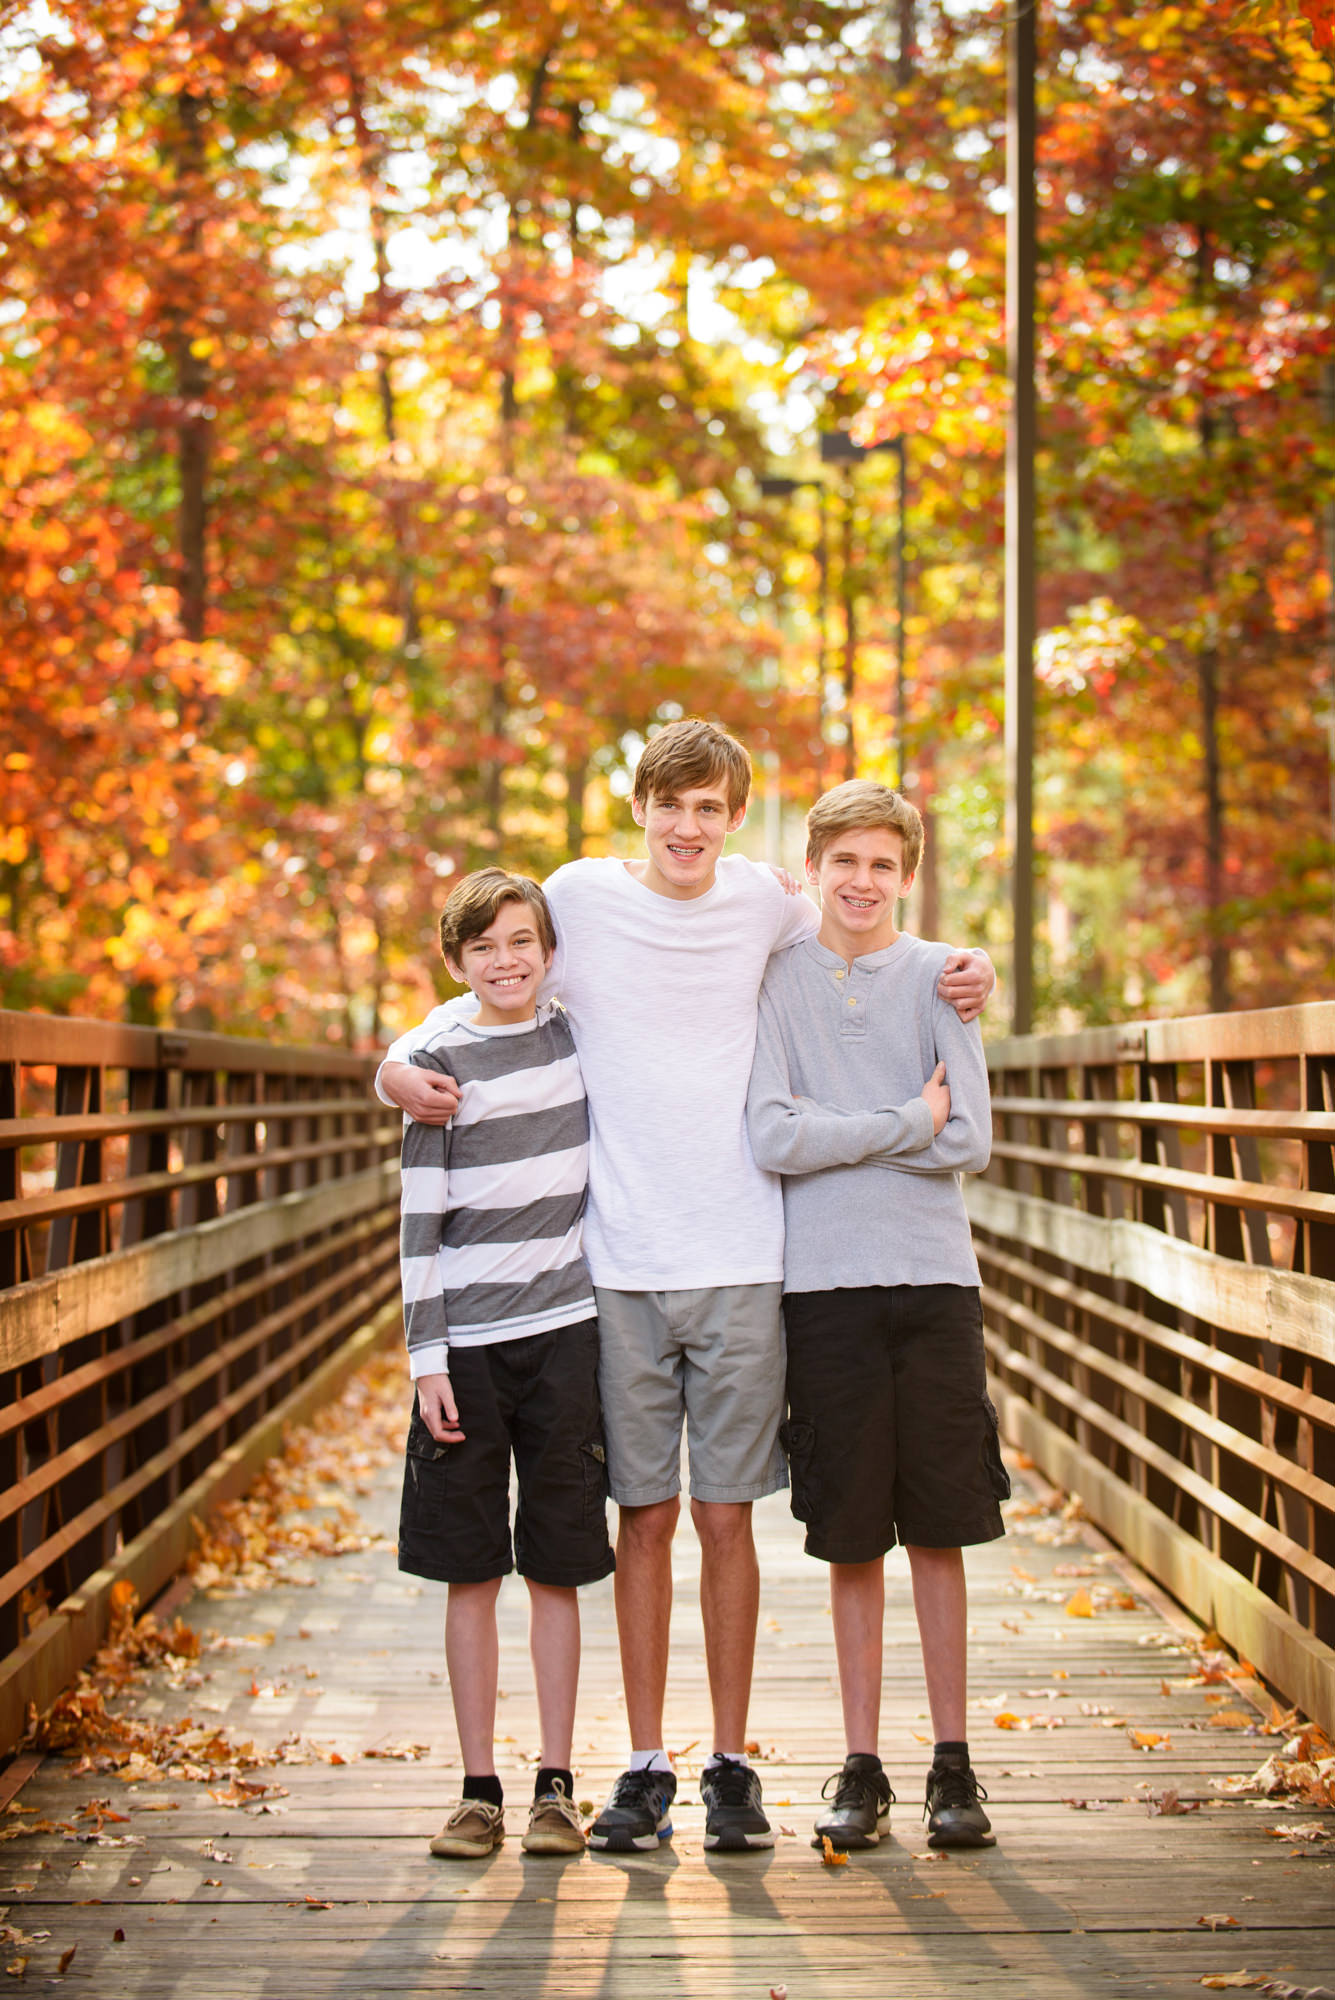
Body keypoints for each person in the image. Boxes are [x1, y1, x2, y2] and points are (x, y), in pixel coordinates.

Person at [379, 719, 994, 1856]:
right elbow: (492, 981)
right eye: (672, 803)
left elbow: (872, 920)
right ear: (641, 806)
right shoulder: (578, 895)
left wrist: (974, 966)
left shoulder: (769, 898)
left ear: (736, 819)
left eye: (711, 807)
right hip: (614, 1266)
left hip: (746, 1256)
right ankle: (646, 1763)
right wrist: (393, 1059)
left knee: (727, 1517)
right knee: (644, 1517)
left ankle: (731, 1761)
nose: (688, 826)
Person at [746, 778, 1009, 1855]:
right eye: (843, 862)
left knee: (940, 1527)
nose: (862, 882)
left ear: (909, 875)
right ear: (810, 868)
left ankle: (953, 1761)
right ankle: (864, 1762)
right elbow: (771, 1135)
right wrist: (905, 1116)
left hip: (934, 1282)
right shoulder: (776, 981)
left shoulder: (941, 978)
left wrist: (836, 1123)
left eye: (883, 866)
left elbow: (972, 1139)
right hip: (826, 1289)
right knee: (853, 1534)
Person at [396, 867, 614, 1861]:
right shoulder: (438, 1062)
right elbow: (420, 1228)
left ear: (549, 948)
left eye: (522, 939)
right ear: (454, 961)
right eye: (482, 945)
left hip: (567, 1334)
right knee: (469, 1570)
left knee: (559, 1566)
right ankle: (478, 1786)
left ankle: (555, 1784)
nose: (505, 959)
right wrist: (425, 1356)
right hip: (467, 1352)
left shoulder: (576, 1034)